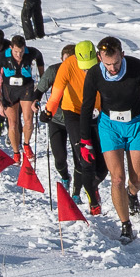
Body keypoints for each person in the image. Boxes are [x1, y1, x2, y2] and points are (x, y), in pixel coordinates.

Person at [77, 37, 140, 244]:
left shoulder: (136, 67)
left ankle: (132, 193)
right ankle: (125, 224)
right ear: (99, 58)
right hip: (109, 126)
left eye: (116, 63)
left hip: (135, 124)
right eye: (107, 64)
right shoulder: (94, 73)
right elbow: (86, 106)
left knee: (137, 178)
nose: (112, 68)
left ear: (122, 55)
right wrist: (85, 140)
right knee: (116, 177)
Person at [44, 40, 102, 214]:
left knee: (102, 163)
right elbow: (55, 95)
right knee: (84, 156)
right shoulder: (67, 65)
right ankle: (91, 200)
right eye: (84, 66)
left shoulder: (104, 65)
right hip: (73, 113)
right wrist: (48, 111)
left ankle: (92, 183)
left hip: (97, 112)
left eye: (90, 65)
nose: (87, 70)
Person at [0, 34, 46, 161]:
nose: (19, 55)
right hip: (9, 90)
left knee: (28, 120)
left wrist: (42, 77)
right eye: (16, 52)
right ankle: (16, 152)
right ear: (11, 48)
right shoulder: (3, 56)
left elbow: (39, 56)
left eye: (21, 51)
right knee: (13, 124)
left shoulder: (31, 53)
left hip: (26, 88)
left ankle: (26, 144)